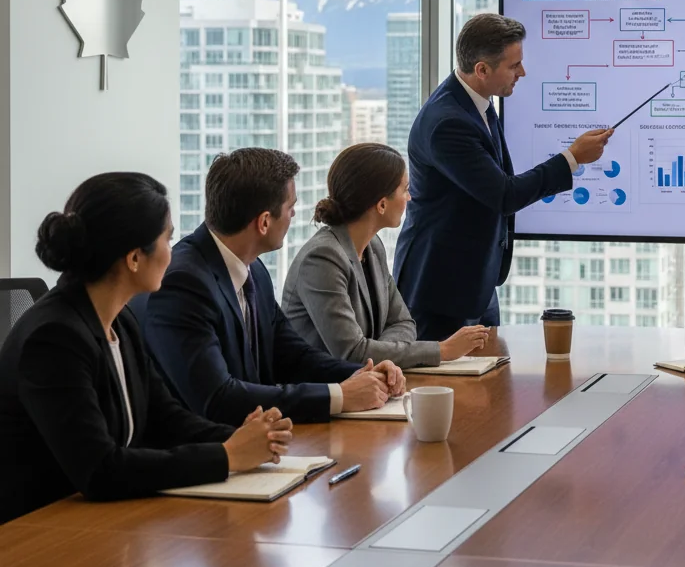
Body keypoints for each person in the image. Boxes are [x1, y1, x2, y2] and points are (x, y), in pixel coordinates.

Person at [0, 173, 294, 524]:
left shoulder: (120, 321)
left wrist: (246, 437)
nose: (174, 252)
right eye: (168, 238)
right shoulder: (54, 338)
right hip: (38, 535)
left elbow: (164, 418)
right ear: (135, 258)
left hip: (103, 521)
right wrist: (227, 456)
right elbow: (100, 469)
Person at [142, 149, 404, 426]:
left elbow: (291, 356)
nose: (293, 215)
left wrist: (363, 374)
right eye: (290, 207)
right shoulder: (185, 284)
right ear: (265, 222)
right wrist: (338, 396)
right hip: (213, 453)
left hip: (263, 441)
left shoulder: (253, 269)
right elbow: (218, 398)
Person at [394, 13, 613, 341]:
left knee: (488, 380)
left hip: (474, 281)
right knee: (453, 388)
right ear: (482, 70)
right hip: (440, 289)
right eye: (514, 66)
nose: (522, 72)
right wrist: (572, 158)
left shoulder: (475, 102)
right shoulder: (448, 124)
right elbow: (503, 195)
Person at [283, 143, 489, 368]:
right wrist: (443, 350)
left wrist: (382, 358)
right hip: (323, 394)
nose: (409, 198)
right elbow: (352, 352)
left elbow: (404, 322)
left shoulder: (373, 247)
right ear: (381, 204)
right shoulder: (322, 258)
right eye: (405, 190)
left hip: (367, 384)